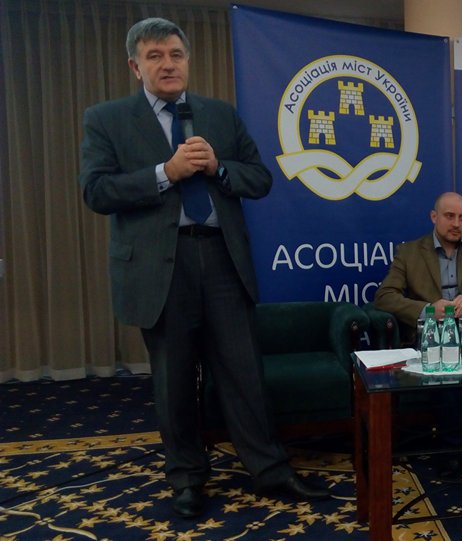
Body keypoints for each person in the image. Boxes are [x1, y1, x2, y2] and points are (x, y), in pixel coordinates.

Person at [78, 17, 328, 519]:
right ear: (135, 67)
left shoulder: (219, 114)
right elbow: (97, 191)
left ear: (187, 61)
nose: (167, 64)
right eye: (154, 56)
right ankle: (188, 478)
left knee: (243, 372)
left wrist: (219, 168)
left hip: (220, 258)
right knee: (174, 380)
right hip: (160, 266)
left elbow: (260, 179)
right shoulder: (106, 119)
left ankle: (269, 469)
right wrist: (164, 174)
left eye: (175, 54)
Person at [374, 192, 462, 346]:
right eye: (450, 216)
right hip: (430, 330)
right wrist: (428, 311)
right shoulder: (409, 253)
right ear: (434, 217)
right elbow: (385, 296)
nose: (456, 224)